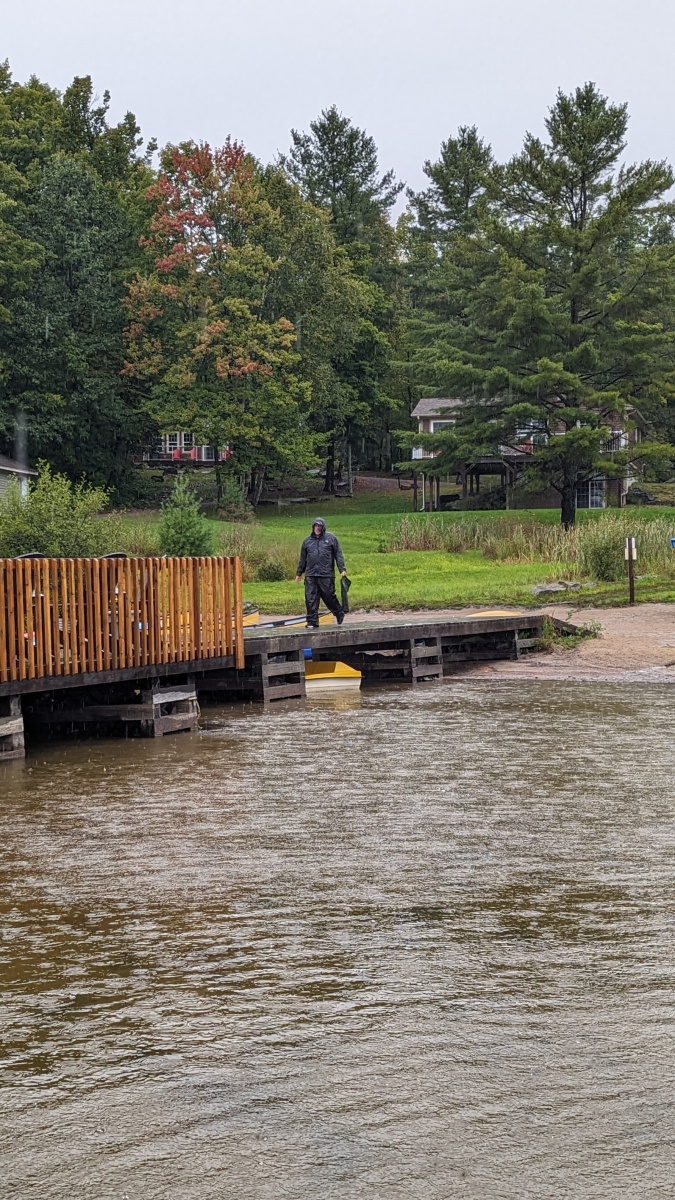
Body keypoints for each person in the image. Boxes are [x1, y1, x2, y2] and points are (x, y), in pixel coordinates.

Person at [295, 517, 347, 626]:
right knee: (310, 599)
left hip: (326, 574)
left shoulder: (331, 539)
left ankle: (339, 612)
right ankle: (312, 622)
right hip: (311, 575)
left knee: (328, 596)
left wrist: (342, 569)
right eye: (315, 526)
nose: (317, 528)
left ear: (323, 527)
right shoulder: (307, 541)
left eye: (319, 526)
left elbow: (338, 554)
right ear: (313, 527)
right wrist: (299, 573)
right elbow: (303, 559)